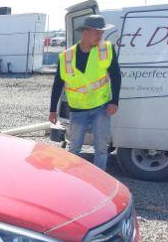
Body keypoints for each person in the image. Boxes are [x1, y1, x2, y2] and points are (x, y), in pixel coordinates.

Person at [49, 15, 121, 170]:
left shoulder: (106, 49)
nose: (101, 36)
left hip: (101, 107)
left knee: (101, 149)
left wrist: (115, 101)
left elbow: (116, 75)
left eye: (102, 32)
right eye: (97, 32)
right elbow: (58, 84)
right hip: (77, 110)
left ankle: (99, 181)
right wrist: (52, 110)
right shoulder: (66, 56)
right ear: (86, 32)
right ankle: (73, 180)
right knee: (74, 148)